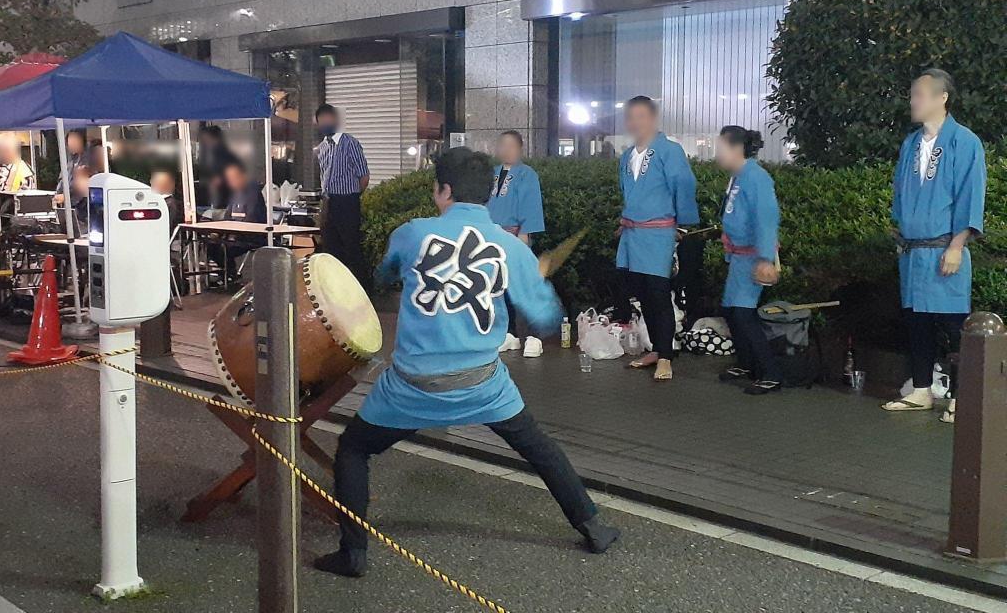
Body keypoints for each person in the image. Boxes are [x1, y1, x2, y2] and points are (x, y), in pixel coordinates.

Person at [313, 148, 619, 578]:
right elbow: (548, 320)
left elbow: (384, 276)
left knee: (354, 448)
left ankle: (353, 553)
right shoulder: (511, 249)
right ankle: (592, 527)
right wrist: (534, 277)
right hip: (483, 384)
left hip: (411, 387)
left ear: (444, 190)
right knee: (539, 448)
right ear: (488, 194)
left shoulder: (412, 233)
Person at [883, 68, 985, 416]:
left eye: (920, 95)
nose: (913, 101)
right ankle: (922, 390)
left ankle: (962, 397)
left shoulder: (965, 141)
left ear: (942, 98)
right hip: (913, 251)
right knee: (917, 322)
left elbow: (970, 197)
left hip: (945, 248)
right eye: (913, 95)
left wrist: (957, 245)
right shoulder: (910, 144)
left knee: (954, 326)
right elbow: (900, 194)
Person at [617, 96, 699, 381]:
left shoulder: (669, 150)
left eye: (641, 116)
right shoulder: (626, 156)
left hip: (660, 233)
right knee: (641, 295)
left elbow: (684, 185)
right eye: (631, 116)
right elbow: (626, 192)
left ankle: (666, 356)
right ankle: (654, 348)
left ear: (653, 118)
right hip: (633, 233)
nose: (636, 122)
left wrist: (684, 226)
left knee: (659, 293)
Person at [714, 127, 782, 396]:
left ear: (736, 148)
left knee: (743, 314)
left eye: (720, 147)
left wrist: (766, 259)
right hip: (740, 256)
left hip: (753, 255)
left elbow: (766, 219)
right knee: (732, 311)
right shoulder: (738, 177)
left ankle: (771, 373)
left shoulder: (756, 178)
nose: (717, 153)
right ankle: (747, 364)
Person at [487, 130, 547, 358]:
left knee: (523, 286)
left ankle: (533, 336)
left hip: (515, 237)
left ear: (520, 148)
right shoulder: (492, 174)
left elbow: (530, 207)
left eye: (511, 145)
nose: (506, 149)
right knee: (499, 288)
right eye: (502, 145)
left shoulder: (527, 175)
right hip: (493, 238)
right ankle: (509, 333)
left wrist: (524, 238)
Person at [314, 103, 371, 289]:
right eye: (321, 121)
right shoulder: (322, 147)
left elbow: (364, 176)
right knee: (331, 249)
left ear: (336, 120)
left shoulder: (350, 143)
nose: (325, 124)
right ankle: (336, 290)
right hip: (328, 202)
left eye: (328, 120)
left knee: (352, 248)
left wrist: (352, 196)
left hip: (347, 202)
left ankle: (363, 289)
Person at [197, 125, 239, 210]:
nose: (206, 143)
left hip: (225, 200)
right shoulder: (206, 156)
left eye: (207, 139)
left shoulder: (226, 156)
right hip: (211, 200)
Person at [53, 129, 87, 206]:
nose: (72, 144)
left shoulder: (86, 161)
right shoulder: (70, 161)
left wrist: (66, 196)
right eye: (70, 141)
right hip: (66, 204)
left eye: (75, 141)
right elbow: (62, 180)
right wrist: (58, 193)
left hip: (81, 205)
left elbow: (82, 187)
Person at [150, 169, 183, 234]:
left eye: (156, 181)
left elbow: (167, 228)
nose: (151, 182)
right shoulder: (166, 203)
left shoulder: (169, 204)